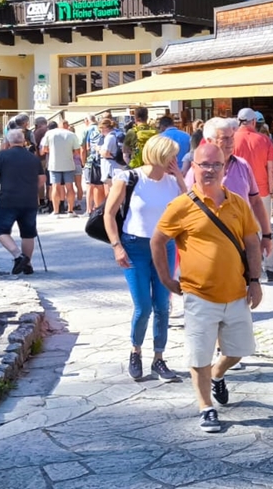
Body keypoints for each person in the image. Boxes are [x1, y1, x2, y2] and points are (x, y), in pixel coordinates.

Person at [152, 143, 263, 433]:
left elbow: (252, 243)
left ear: (225, 168)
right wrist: (166, 279)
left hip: (236, 293)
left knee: (238, 351)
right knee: (199, 355)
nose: (210, 170)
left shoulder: (238, 203)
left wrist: (255, 281)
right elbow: (157, 241)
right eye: (204, 164)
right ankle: (206, 408)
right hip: (198, 295)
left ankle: (217, 374)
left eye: (216, 164)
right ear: (194, 167)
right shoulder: (181, 206)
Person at [104, 135, 187, 382]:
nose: (175, 159)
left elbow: (189, 207)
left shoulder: (172, 182)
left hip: (165, 246)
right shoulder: (129, 178)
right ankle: (136, 351)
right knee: (143, 307)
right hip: (134, 245)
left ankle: (159, 357)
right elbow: (108, 214)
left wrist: (180, 178)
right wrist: (117, 246)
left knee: (162, 305)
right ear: (161, 155)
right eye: (172, 155)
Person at [184, 117, 273, 266]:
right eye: (225, 138)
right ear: (210, 140)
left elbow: (256, 201)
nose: (231, 142)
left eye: (232, 137)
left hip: (241, 242)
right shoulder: (197, 171)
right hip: (208, 246)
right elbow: (185, 204)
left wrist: (266, 235)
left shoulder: (243, 165)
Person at [0, 129, 44, 275]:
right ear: (24, 141)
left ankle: (19, 256)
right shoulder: (33, 158)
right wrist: (31, 189)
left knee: (1, 230)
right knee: (28, 233)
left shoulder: (3, 155)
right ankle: (27, 264)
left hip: (9, 200)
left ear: (7, 142)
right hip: (29, 200)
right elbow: (42, 179)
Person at [233, 108, 273, 282]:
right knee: (265, 229)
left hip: (239, 191)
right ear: (253, 122)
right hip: (262, 190)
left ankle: (245, 267)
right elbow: (270, 168)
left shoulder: (232, 139)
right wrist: (272, 190)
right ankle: (270, 267)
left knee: (241, 230)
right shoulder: (264, 140)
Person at [41, 120, 81, 218]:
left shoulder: (49, 133)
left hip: (54, 164)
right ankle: (70, 211)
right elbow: (77, 151)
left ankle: (56, 212)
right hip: (68, 163)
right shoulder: (71, 134)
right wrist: (69, 153)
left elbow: (44, 149)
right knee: (69, 187)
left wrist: (53, 151)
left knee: (55, 187)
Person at [81, 115, 105, 214]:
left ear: (87, 120)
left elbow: (83, 148)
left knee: (89, 185)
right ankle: (98, 207)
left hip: (91, 160)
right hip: (102, 160)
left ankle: (89, 209)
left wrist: (83, 162)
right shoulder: (102, 130)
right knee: (100, 185)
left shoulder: (87, 130)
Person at [99, 119, 124, 186]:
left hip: (110, 168)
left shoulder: (109, 137)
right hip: (117, 166)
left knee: (111, 188)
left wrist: (98, 149)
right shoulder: (115, 135)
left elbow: (106, 153)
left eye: (101, 128)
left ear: (105, 128)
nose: (100, 131)